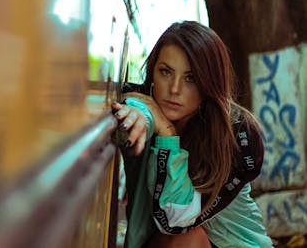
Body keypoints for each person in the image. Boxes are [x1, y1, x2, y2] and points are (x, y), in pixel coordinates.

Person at [111, 21, 273, 248]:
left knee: (189, 237)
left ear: (209, 83)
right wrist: (143, 118)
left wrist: (167, 132)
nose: (175, 89)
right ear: (153, 73)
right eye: (166, 72)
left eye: (191, 78)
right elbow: (141, 111)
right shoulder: (144, 110)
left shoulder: (236, 135)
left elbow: (177, 221)